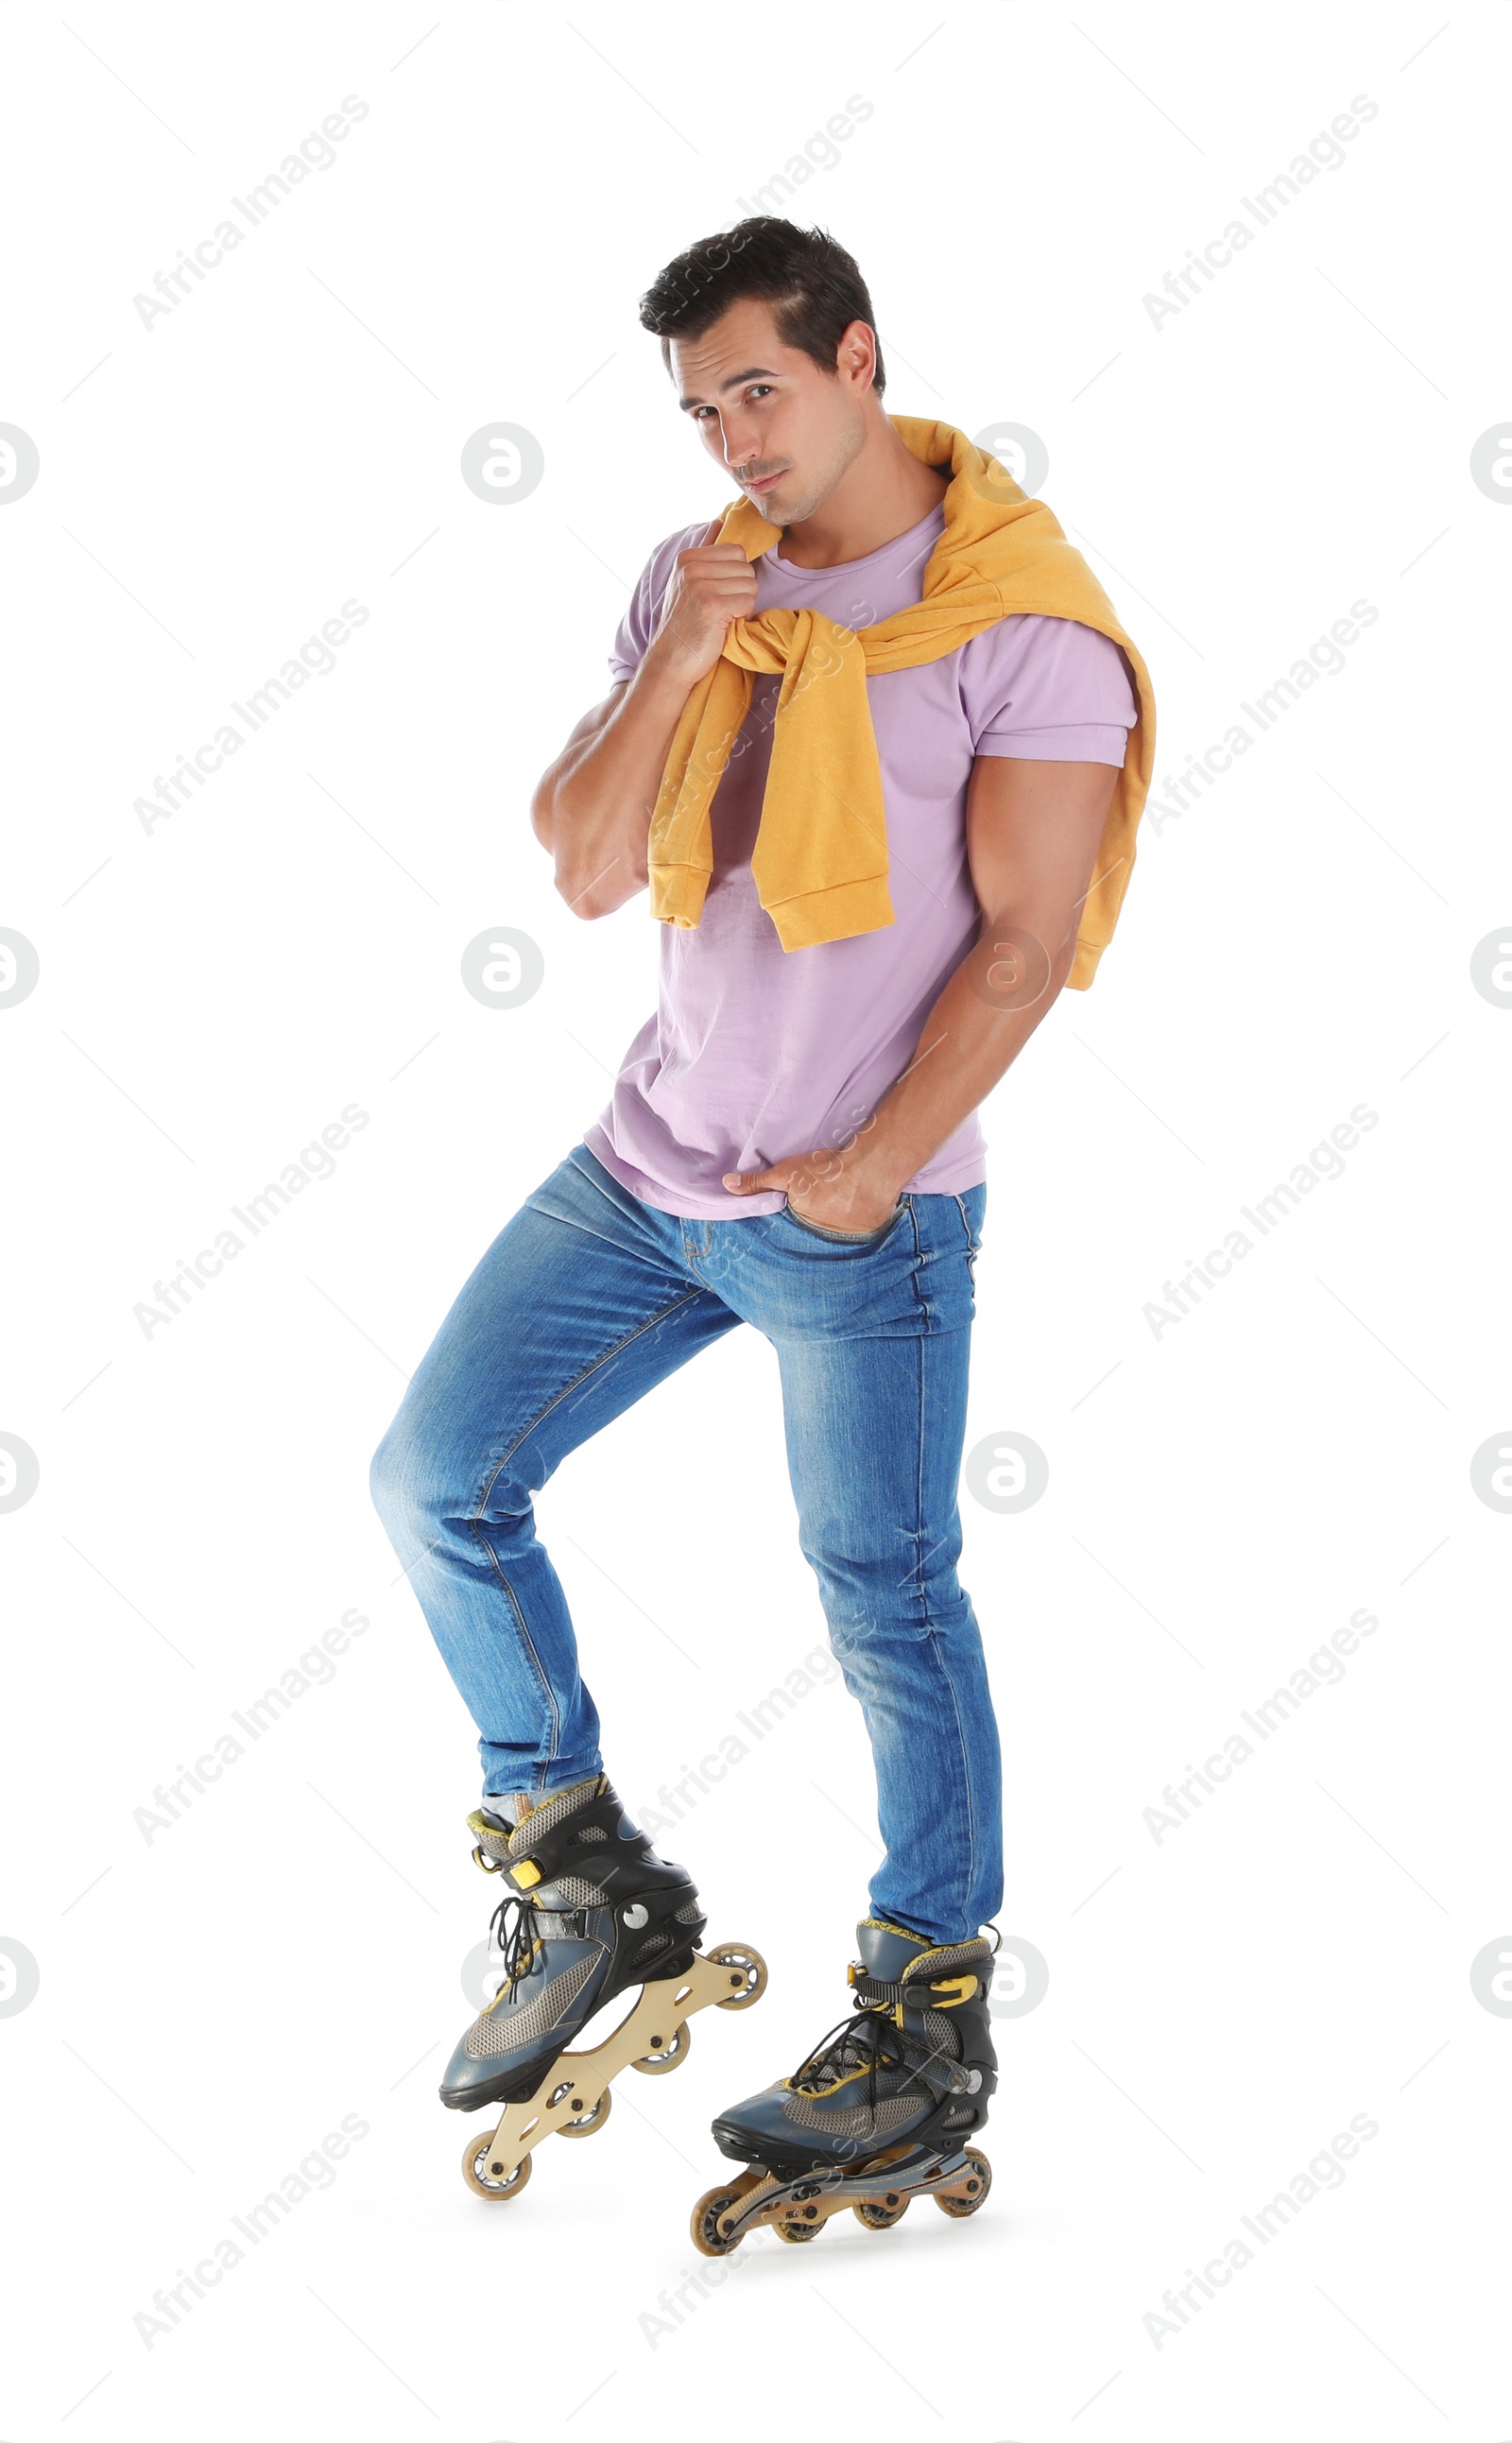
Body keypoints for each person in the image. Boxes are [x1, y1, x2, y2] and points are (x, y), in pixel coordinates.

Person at [370, 216, 1154, 2224]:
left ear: (858, 358)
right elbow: (574, 865)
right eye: (704, 406)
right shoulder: (693, 586)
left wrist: (877, 1162)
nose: (734, 438)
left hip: (852, 1224)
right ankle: (585, 1878)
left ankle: (922, 2013)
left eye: (760, 389)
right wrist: (677, 658)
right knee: (433, 1478)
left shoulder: (1016, 626)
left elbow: (1023, 944)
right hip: (646, 1178)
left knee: (881, 1601)